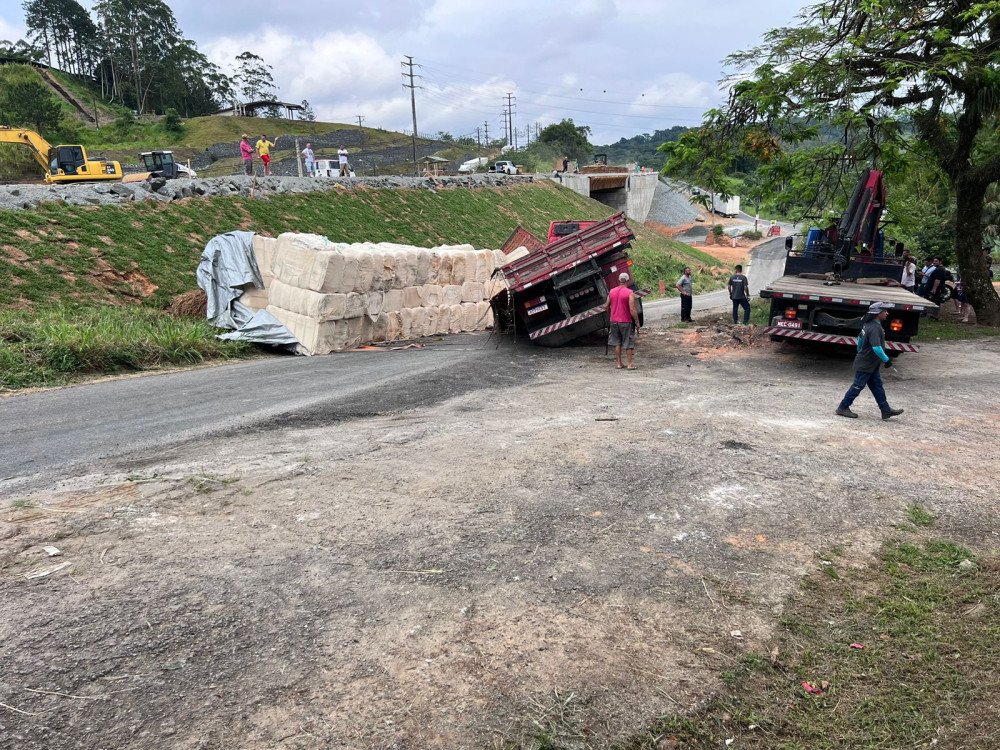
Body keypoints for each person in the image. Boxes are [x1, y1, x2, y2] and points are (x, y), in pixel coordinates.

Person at [836, 302, 904, 420]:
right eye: (885, 311)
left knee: (877, 386)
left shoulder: (868, 324)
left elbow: (859, 340)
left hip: (869, 363)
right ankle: (842, 407)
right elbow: (876, 347)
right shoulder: (875, 327)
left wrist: (860, 352)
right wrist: (886, 360)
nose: (887, 313)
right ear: (878, 313)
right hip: (866, 364)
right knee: (858, 386)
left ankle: (885, 410)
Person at [606, 273, 640, 370]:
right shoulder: (629, 292)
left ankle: (619, 364)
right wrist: (637, 322)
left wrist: (611, 314)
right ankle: (629, 364)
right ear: (628, 280)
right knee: (628, 342)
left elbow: (606, 306)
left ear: (619, 280)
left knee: (617, 343)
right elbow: (632, 309)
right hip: (625, 321)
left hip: (614, 321)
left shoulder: (611, 291)